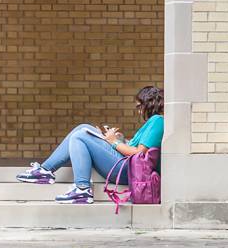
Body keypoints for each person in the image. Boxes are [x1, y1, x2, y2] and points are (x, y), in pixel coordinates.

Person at [16, 85, 164, 204]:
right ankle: (45, 170)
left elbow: (139, 154)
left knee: (80, 137)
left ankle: (82, 189)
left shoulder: (157, 121)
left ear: (149, 104)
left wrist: (114, 141)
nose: (138, 111)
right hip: (126, 164)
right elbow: (135, 147)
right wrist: (118, 139)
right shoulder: (154, 122)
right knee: (83, 128)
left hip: (128, 170)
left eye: (139, 107)